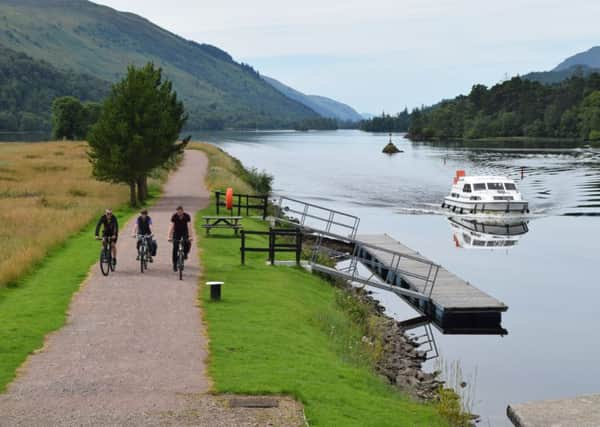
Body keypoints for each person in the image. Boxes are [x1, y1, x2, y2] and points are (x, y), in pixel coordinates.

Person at [167, 205, 193, 272]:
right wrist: (169, 236)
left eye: (180, 211)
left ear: (182, 211)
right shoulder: (174, 216)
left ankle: (185, 253)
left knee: (187, 242)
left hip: (185, 232)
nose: (179, 213)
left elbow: (189, 226)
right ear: (177, 212)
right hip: (177, 232)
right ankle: (175, 264)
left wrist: (190, 236)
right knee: (175, 247)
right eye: (178, 212)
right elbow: (172, 226)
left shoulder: (187, 216)